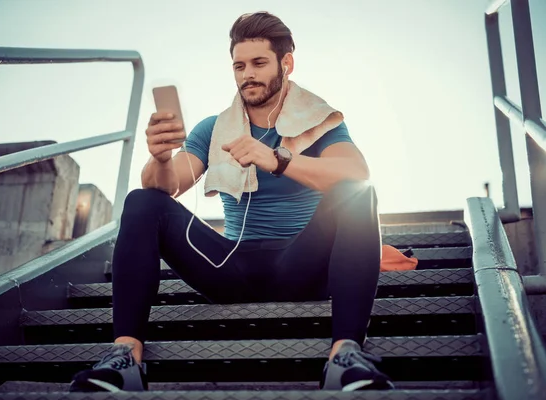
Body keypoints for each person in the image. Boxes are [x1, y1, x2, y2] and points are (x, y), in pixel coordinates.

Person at [69, 11, 393, 393]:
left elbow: (356, 172)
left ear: (286, 63)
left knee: (357, 193)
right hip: (229, 266)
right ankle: (125, 357)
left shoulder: (319, 120)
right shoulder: (214, 128)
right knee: (142, 201)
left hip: (301, 265)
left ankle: (345, 355)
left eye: (258, 63)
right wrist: (158, 157)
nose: (247, 75)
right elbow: (168, 185)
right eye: (239, 65)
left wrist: (278, 158)